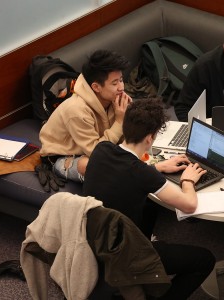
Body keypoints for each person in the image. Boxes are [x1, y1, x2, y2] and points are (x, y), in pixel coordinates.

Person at [83, 98, 215, 300]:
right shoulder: (141, 173)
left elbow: (126, 172)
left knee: (150, 207)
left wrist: (158, 167)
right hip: (123, 252)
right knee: (205, 260)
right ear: (149, 138)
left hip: (95, 238)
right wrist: (188, 180)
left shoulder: (102, 150)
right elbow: (189, 205)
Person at [37, 49, 132, 190]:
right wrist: (120, 122)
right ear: (96, 87)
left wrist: (131, 114)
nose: (121, 87)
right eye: (114, 83)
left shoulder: (114, 97)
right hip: (64, 156)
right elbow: (97, 153)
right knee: (90, 166)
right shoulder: (76, 110)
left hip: (99, 146)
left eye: (121, 80)